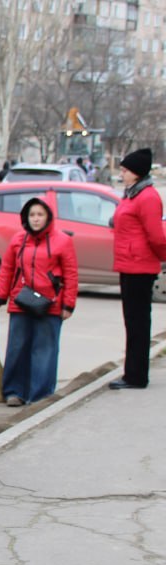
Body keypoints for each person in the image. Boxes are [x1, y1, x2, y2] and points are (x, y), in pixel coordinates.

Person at [0, 197, 78, 406]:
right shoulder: (18, 239)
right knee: (17, 347)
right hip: (21, 300)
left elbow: (71, 274)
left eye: (40, 215)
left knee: (44, 349)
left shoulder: (62, 241)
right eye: (32, 215)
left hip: (51, 303)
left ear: (48, 217)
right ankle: (14, 391)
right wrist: (0, 297)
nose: (36, 219)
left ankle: (40, 395)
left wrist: (68, 305)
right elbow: (7, 269)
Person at [110, 148, 166, 390]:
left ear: (137, 173)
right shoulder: (132, 195)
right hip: (129, 264)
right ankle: (132, 372)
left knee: (138, 323)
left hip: (139, 266)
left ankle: (136, 376)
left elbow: (156, 236)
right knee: (132, 322)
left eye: (125, 170)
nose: (121, 174)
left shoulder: (147, 197)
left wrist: (163, 258)